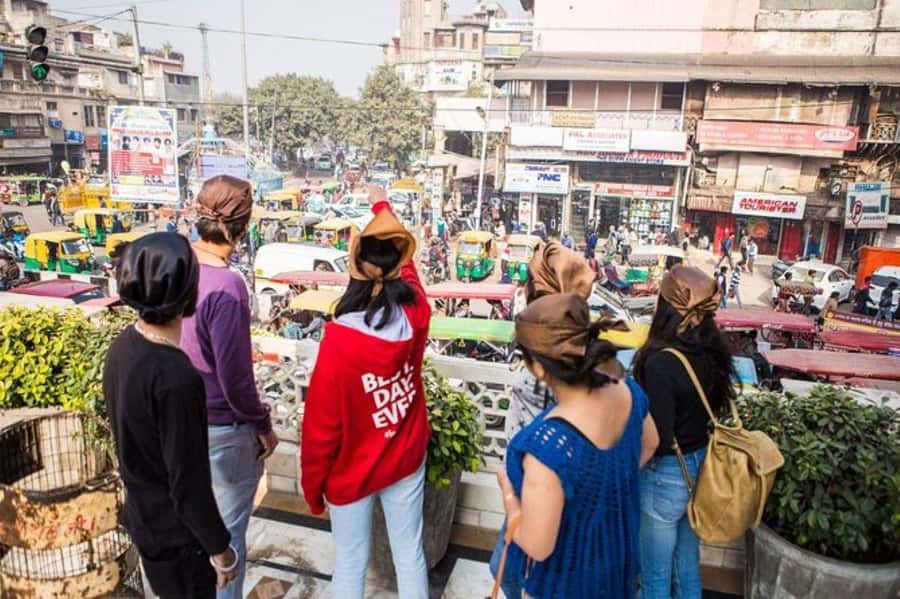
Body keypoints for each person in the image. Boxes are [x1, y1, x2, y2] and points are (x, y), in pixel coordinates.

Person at [301, 187, 431, 599]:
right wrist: (383, 208)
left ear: (355, 267)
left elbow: (321, 430)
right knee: (409, 554)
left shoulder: (339, 341)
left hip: (350, 472)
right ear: (398, 267)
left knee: (351, 565)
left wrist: (312, 489)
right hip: (405, 456)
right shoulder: (416, 315)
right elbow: (409, 274)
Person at [495, 293, 659, 598]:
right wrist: (603, 489)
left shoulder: (548, 447)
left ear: (539, 368)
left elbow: (538, 546)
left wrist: (509, 498)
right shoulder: (630, 392)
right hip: (616, 565)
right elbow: (651, 443)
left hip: (565, 583)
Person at [105, 233, 238, 598]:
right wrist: (221, 550)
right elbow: (188, 483)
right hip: (179, 541)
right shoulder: (177, 377)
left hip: (144, 521)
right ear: (189, 292)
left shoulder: (123, 348)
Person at [181, 176, 278, 599]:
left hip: (180, 422)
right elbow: (236, 379)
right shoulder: (228, 286)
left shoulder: (178, 267)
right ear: (243, 226)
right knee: (227, 539)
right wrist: (263, 425)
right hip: (223, 429)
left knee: (193, 531)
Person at [633, 265, 738, 599]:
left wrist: (629, 466)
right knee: (687, 565)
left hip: (666, 475)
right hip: (701, 466)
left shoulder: (660, 361)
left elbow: (658, 439)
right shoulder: (712, 353)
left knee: (655, 575)